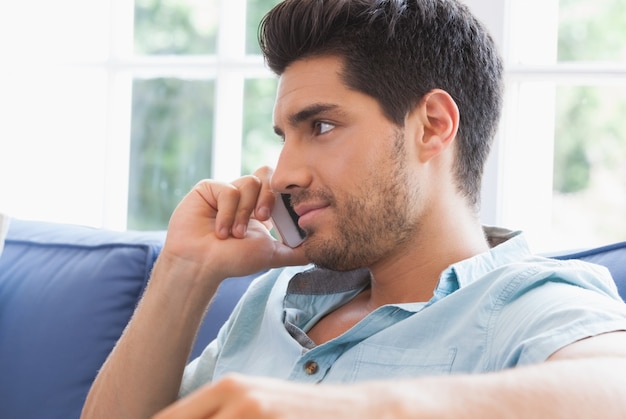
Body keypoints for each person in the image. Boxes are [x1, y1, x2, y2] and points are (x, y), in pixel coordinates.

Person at [82, 0, 626, 417]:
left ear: (432, 126)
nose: (285, 172)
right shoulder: (274, 300)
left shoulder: (526, 305)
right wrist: (185, 270)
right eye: (285, 135)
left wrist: (345, 407)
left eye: (320, 126)